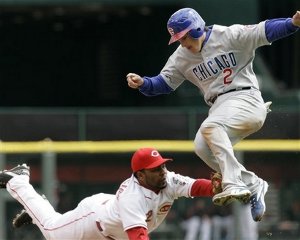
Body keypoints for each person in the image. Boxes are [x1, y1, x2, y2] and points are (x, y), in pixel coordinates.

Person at [126, 8, 300, 222]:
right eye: (179, 39)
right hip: (220, 107)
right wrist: (144, 83)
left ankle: (233, 182)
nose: (184, 43)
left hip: (245, 97)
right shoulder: (181, 56)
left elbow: (265, 30)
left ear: (197, 28)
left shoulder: (229, 35)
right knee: (201, 146)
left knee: (210, 128)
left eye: (185, 36)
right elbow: (163, 83)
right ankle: (254, 184)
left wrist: (293, 23)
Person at [0, 147, 222, 240]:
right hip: (93, 221)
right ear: (141, 175)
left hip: (114, 230)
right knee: (52, 231)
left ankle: (36, 208)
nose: (162, 171)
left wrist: (216, 187)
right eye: (156, 169)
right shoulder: (133, 198)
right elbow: (138, 237)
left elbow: (196, 187)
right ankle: (19, 180)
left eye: (163, 165)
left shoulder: (168, 179)